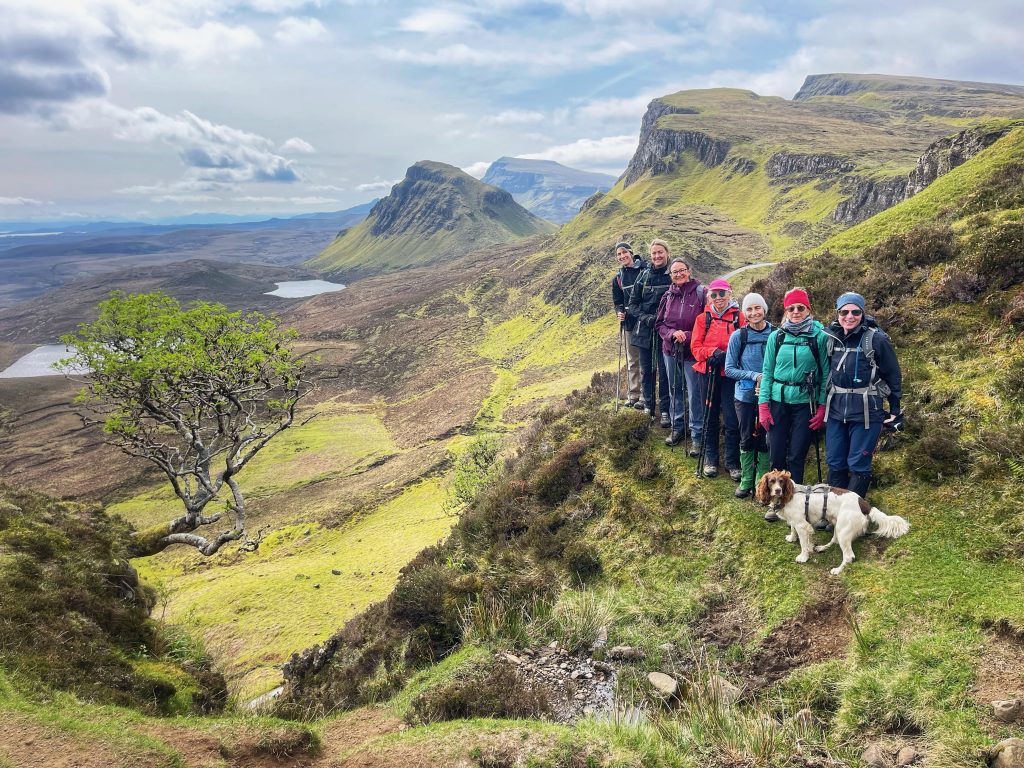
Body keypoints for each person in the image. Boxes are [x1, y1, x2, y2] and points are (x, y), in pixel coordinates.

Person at [822, 291, 903, 499]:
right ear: (838, 313)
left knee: (858, 464)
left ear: (862, 313)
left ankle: (853, 512)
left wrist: (895, 409)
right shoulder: (830, 338)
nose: (849, 316)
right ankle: (835, 511)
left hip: (867, 412)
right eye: (844, 312)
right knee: (835, 461)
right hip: (836, 410)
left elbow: (893, 375)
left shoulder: (876, 340)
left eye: (855, 312)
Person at [758, 287, 829, 518]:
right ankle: (775, 503)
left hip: (805, 403)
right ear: (785, 311)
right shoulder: (776, 337)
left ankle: (795, 503)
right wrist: (763, 405)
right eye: (791, 308)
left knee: (797, 454)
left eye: (800, 307)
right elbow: (767, 372)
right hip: (778, 401)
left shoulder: (819, 337)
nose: (796, 312)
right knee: (776, 452)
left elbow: (825, 375)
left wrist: (821, 406)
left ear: (808, 309)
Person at [691, 279, 744, 479]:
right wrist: (712, 352)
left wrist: (728, 358)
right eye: (714, 294)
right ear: (709, 297)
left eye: (722, 293)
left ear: (730, 294)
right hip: (707, 372)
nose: (718, 298)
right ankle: (710, 459)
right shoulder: (702, 319)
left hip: (731, 375)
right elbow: (696, 348)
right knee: (709, 416)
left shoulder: (740, 318)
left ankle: (732, 462)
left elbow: (745, 346)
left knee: (732, 418)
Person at [725, 292, 774, 498]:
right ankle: (746, 480)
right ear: (744, 313)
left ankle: (761, 483)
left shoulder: (776, 335)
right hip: (744, 396)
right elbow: (729, 369)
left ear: (764, 309)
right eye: (749, 309)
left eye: (757, 308)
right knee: (746, 437)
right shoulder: (738, 336)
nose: (754, 313)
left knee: (765, 439)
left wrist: (767, 381)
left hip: (769, 396)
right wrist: (754, 376)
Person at [654, 257, 706, 447]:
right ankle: (677, 428)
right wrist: (671, 334)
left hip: (692, 353)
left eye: (681, 270)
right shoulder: (667, 296)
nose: (678, 274)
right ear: (671, 275)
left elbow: (708, 324)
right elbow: (659, 324)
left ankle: (697, 434)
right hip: (670, 351)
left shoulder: (702, 293)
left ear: (689, 271)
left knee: (695, 394)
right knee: (674, 389)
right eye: (674, 272)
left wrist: (687, 335)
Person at [625, 239, 672, 426]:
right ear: (650, 255)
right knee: (647, 371)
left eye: (660, 252)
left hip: (666, 332)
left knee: (665, 373)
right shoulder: (643, 276)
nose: (657, 256)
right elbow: (632, 305)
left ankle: (665, 410)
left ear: (667, 253)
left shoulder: (673, 274)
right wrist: (645, 318)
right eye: (654, 253)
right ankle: (649, 407)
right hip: (645, 331)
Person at [611, 242, 646, 409]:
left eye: (624, 252)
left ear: (631, 253)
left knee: (645, 360)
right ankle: (634, 395)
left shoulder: (644, 270)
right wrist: (619, 312)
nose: (622, 256)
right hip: (629, 323)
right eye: (619, 254)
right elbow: (618, 302)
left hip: (645, 322)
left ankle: (646, 396)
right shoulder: (618, 278)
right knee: (632, 360)